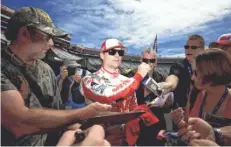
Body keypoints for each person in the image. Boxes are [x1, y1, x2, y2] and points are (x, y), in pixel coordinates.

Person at [1, 7, 112, 146]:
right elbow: (19, 123)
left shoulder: (46, 70)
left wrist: (79, 131)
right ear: (24, 34)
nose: (51, 43)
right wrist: (81, 113)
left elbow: (59, 115)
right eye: (47, 37)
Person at [80, 39, 158, 145]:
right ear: (102, 55)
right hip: (100, 139)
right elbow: (108, 96)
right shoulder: (89, 78)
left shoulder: (127, 81)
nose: (117, 55)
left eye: (120, 52)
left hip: (125, 139)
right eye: (112, 52)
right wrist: (138, 76)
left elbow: (133, 108)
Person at [135, 48, 173, 146]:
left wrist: (168, 104)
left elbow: (167, 108)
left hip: (158, 124)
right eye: (145, 60)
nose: (149, 63)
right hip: (139, 124)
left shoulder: (162, 78)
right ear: (140, 61)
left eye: (152, 60)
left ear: (156, 62)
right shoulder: (131, 76)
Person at [157, 34, 205, 110]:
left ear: (202, 49)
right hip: (181, 113)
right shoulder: (179, 65)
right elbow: (173, 77)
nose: (188, 50)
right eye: (186, 47)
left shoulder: (209, 66)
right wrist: (169, 84)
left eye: (193, 47)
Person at [189, 49, 231, 127]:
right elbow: (191, 125)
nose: (192, 78)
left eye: (195, 73)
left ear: (211, 73)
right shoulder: (200, 95)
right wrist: (180, 121)